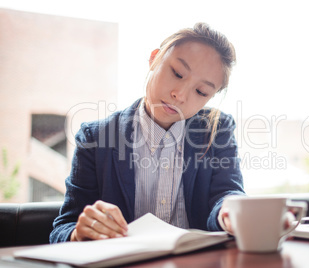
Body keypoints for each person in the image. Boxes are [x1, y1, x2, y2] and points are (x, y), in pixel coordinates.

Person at [50, 22, 245, 243]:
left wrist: (231, 211)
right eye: (177, 73)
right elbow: (63, 228)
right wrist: (78, 233)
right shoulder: (95, 138)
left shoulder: (217, 130)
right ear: (154, 59)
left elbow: (227, 193)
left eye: (201, 91)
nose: (179, 95)